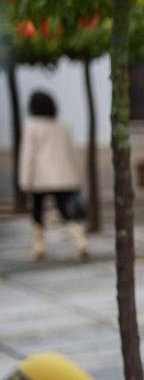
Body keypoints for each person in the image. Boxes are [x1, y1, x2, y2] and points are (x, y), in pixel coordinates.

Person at [18, 91, 88, 262]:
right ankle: (80, 242)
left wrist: (24, 180)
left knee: (37, 212)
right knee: (65, 212)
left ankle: (39, 247)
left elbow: (28, 155)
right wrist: (77, 177)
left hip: (40, 179)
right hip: (63, 177)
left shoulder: (31, 126)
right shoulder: (63, 126)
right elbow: (72, 152)